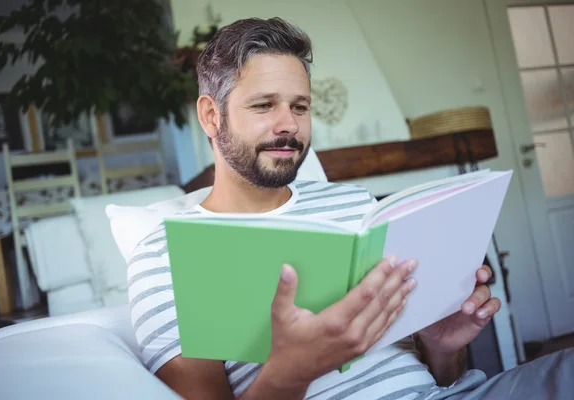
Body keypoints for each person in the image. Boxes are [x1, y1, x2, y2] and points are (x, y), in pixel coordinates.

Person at [127, 17, 573, 400]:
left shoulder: (356, 206)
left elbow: (442, 377)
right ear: (210, 116)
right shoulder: (166, 256)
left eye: (300, 107)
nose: (289, 124)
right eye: (264, 105)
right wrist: (292, 370)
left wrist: (441, 345)